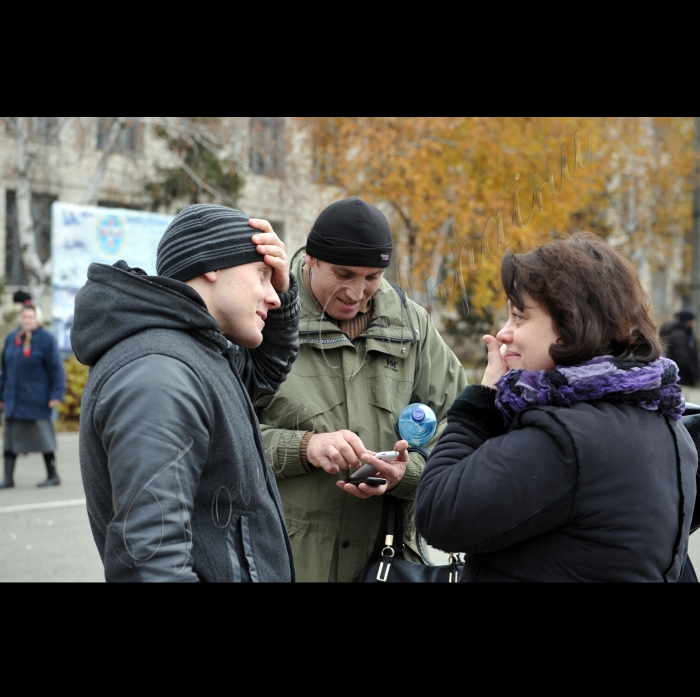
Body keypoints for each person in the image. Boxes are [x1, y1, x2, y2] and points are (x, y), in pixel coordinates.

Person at [415, 233, 697, 583]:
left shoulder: (565, 438)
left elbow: (438, 512)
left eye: (519, 316)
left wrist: (481, 401)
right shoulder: (664, 424)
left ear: (570, 327)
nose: (503, 333)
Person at [72, 205, 300, 583]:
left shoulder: (200, 353)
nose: (273, 295)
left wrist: (286, 291)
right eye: (261, 276)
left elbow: (263, 374)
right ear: (210, 265)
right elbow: (151, 565)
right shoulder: (159, 371)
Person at [256, 198, 467, 583]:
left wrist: (407, 472)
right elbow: (222, 436)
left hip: (388, 562)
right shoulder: (264, 318)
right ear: (311, 261)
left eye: (372, 277)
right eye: (344, 274)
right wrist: (306, 448)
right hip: (286, 559)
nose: (357, 291)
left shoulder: (413, 325)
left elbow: (462, 428)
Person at [0, 302, 65, 489]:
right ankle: (8, 478)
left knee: (44, 439)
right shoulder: (13, 338)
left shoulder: (46, 339)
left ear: (36, 318)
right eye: (24, 317)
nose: (26, 320)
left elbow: (56, 369)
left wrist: (56, 394)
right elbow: (4, 370)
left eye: (30, 317)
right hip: (13, 399)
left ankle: (53, 475)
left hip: (37, 400)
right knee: (9, 442)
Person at [660, 309, 700, 387]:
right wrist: (692, 373)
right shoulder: (679, 335)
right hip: (682, 379)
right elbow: (681, 358)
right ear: (688, 321)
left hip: (684, 378)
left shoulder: (685, 333)